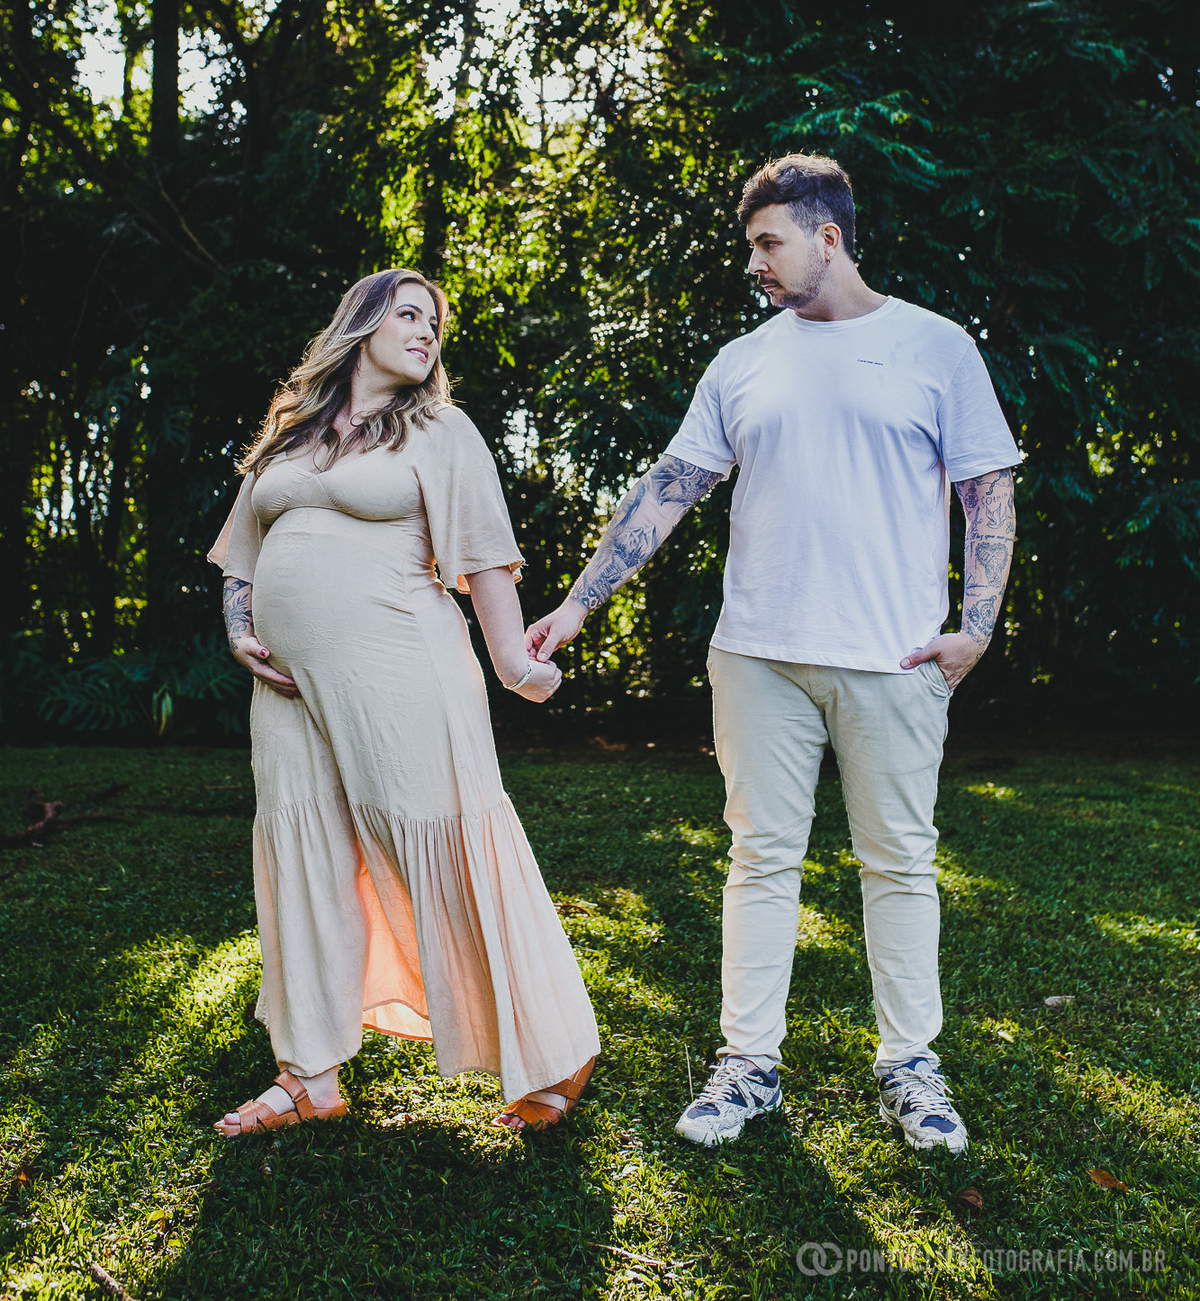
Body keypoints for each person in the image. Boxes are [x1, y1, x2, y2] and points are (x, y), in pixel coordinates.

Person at [526, 153, 1020, 1155]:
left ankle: (909, 1070)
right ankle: (747, 1068)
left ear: (827, 238)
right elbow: (670, 488)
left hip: (895, 660)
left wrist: (977, 627)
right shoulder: (743, 362)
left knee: (899, 866)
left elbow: (988, 493)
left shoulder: (935, 347)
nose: (754, 262)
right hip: (756, 656)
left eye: (768, 243)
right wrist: (579, 605)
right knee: (760, 862)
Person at [207, 268, 599, 1138]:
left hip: (402, 670)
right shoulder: (291, 433)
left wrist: (510, 661)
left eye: (436, 322)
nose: (427, 331)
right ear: (362, 323)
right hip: (288, 686)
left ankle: (553, 1048)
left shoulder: (440, 430)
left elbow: (485, 556)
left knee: (444, 838)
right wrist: (240, 631)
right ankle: (308, 1072)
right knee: (302, 852)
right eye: (410, 313)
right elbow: (243, 552)